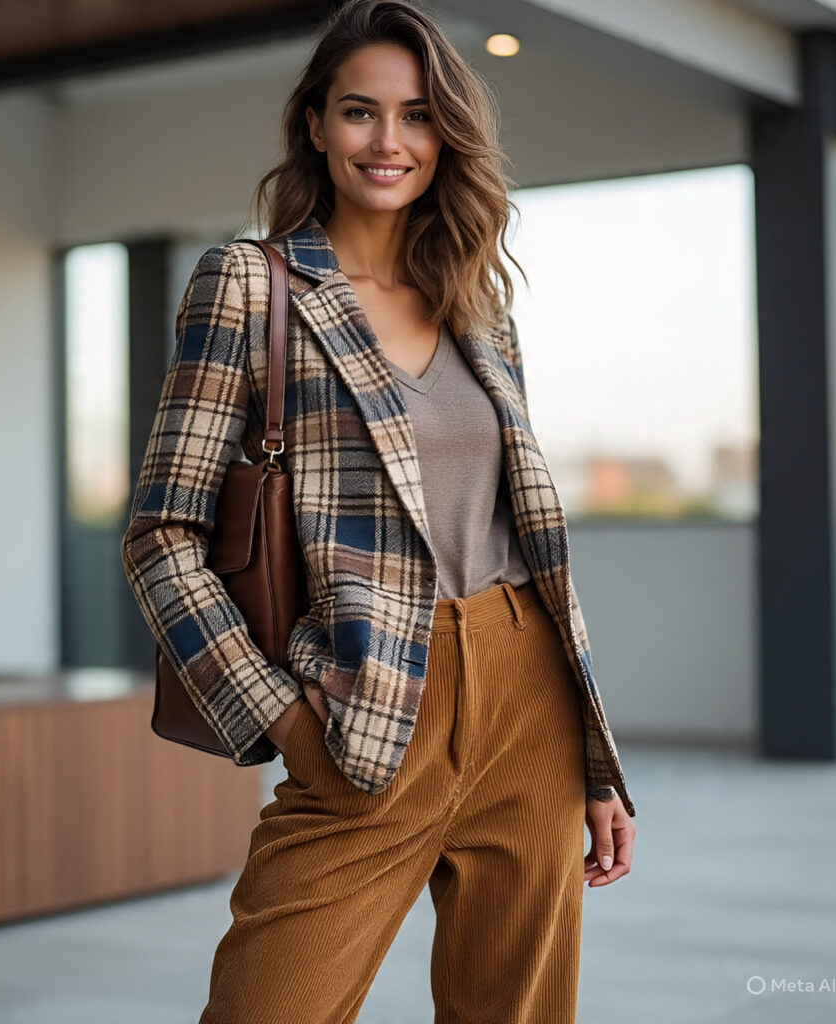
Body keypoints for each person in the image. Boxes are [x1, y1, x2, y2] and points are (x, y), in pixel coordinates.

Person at [121, 1, 638, 1020]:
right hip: (361, 706)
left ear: (445, 134)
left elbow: (525, 541)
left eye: (416, 115)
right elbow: (161, 537)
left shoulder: (477, 304)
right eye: (360, 112)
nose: (388, 141)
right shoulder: (249, 285)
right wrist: (283, 720)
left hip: (525, 695)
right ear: (315, 123)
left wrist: (591, 756)